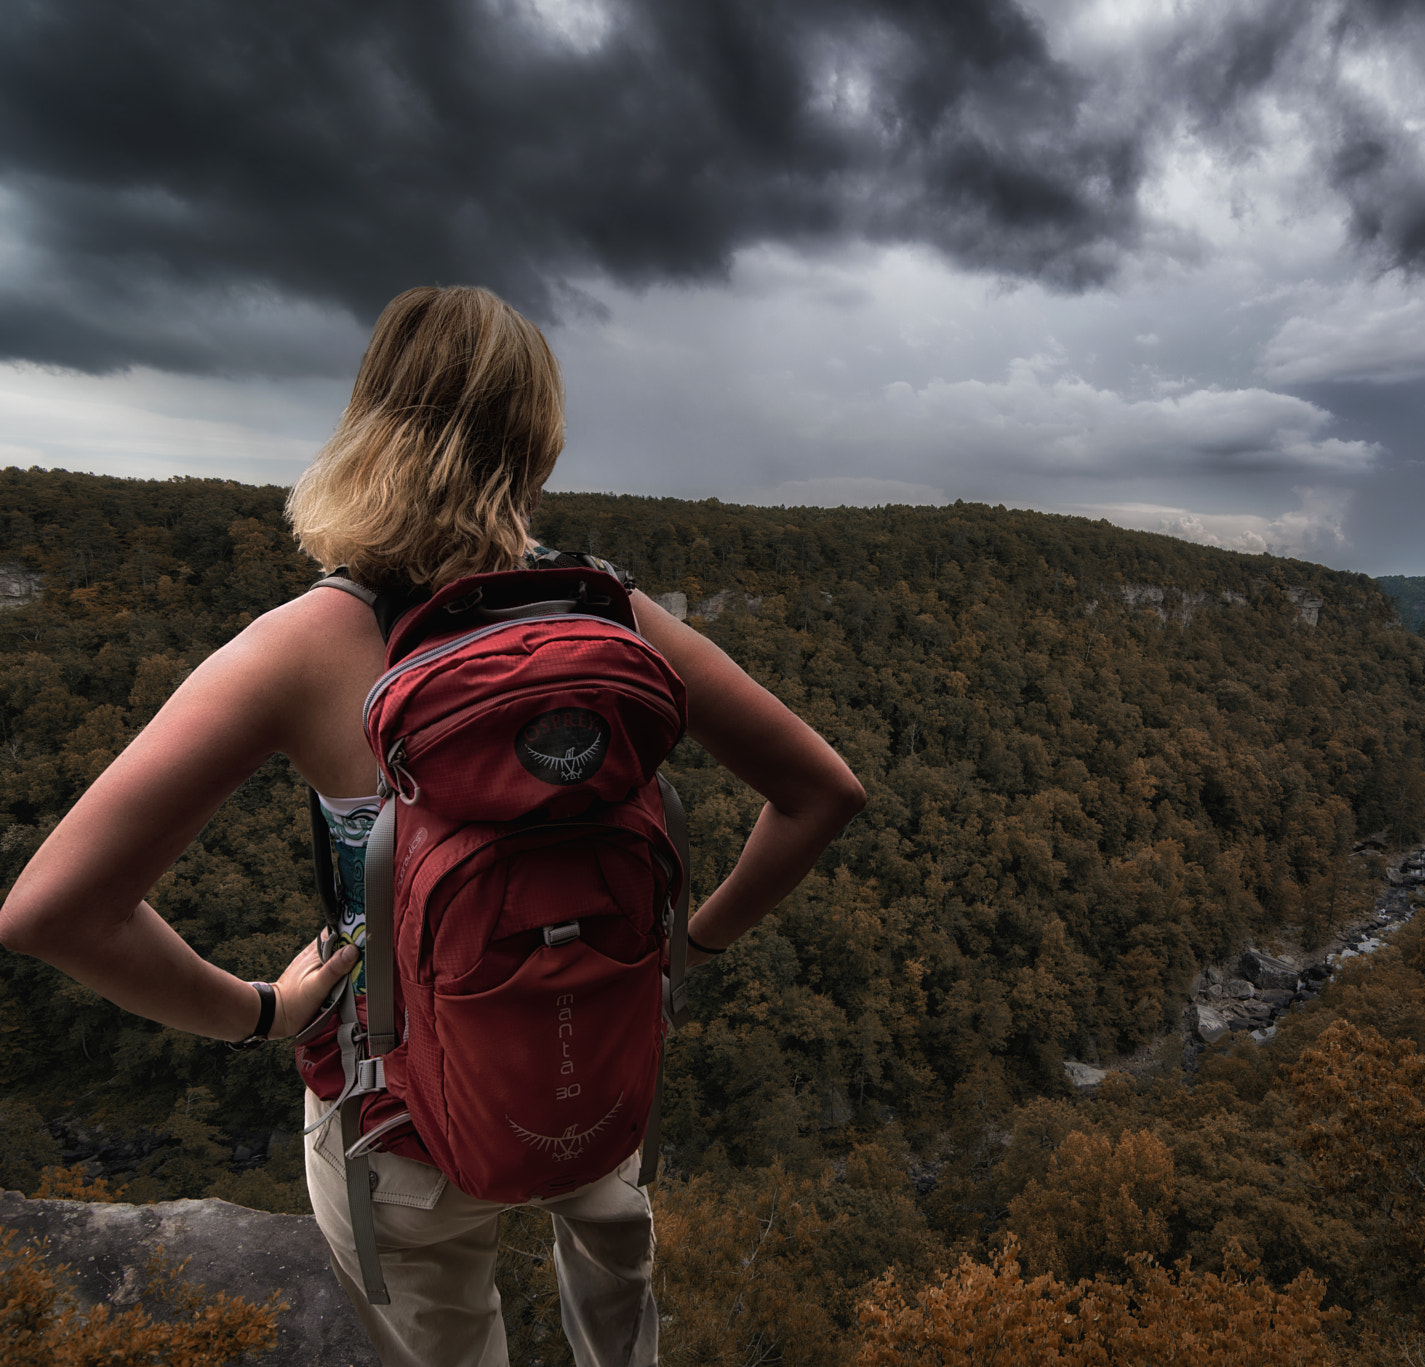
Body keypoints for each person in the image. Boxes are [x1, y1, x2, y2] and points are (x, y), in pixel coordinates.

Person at [0, 285, 866, 1366]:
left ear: (371, 422)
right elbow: (822, 793)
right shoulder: (612, 616)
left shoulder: (306, 645)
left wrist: (262, 1012)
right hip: (586, 1055)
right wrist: (680, 949)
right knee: (618, 1318)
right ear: (536, 439)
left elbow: (50, 909)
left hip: (392, 1112)